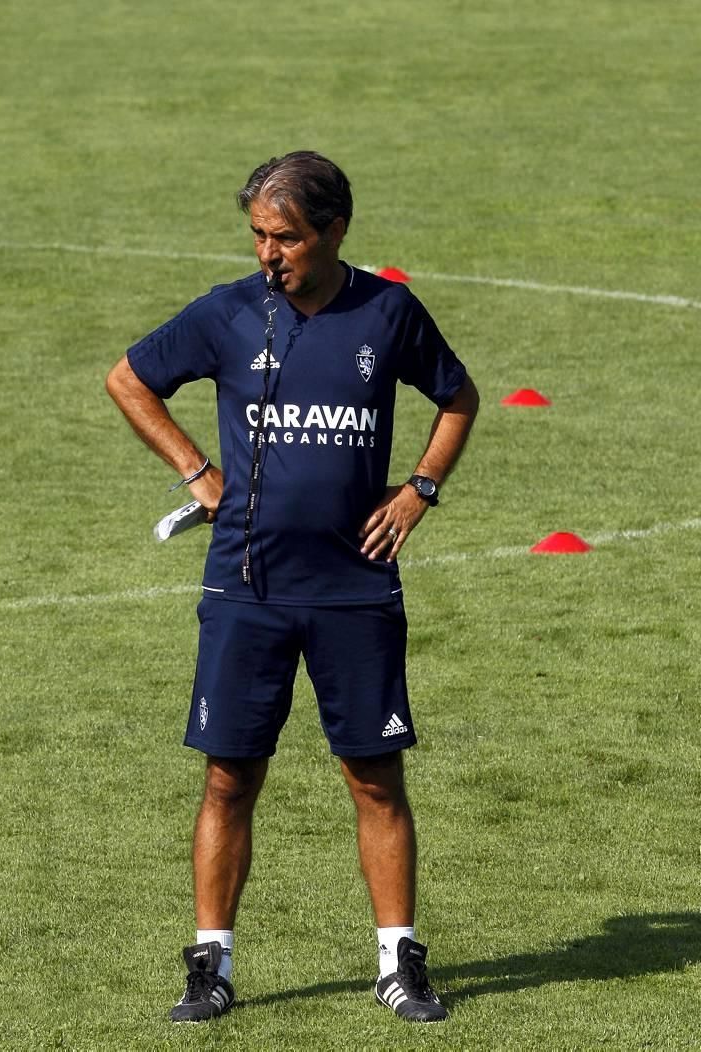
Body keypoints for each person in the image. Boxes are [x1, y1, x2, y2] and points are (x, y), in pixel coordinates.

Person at [106, 151, 479, 1025]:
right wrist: (196, 469)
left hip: (356, 589)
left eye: (286, 237)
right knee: (229, 778)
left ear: (335, 229)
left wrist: (419, 489)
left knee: (375, 777)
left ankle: (399, 962)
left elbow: (458, 398)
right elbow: (129, 380)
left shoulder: (387, 311)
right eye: (259, 236)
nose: (269, 253)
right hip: (246, 588)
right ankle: (211, 965)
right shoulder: (231, 312)